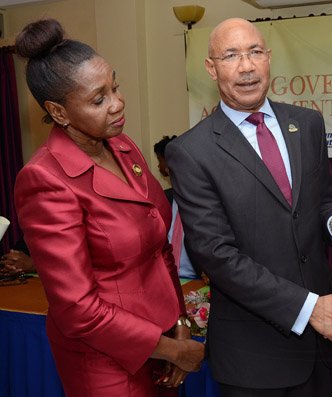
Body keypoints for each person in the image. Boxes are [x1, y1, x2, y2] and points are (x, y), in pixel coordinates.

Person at [166, 17, 332, 397]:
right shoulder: (192, 151)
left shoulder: (307, 124)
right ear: (211, 67)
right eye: (231, 55)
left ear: (269, 58)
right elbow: (215, 255)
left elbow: (321, 202)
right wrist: (309, 308)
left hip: (322, 347)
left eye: (255, 52)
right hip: (253, 357)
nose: (247, 66)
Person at [13, 19, 204, 396]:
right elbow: (78, 309)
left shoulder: (123, 146)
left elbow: (159, 248)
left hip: (163, 342)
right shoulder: (45, 179)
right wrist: (174, 350)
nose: (118, 103)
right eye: (98, 99)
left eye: (115, 86)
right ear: (60, 112)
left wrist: (178, 321)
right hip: (104, 365)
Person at [154, 135, 197, 279]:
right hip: (167, 278)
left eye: (160, 161)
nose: (158, 167)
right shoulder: (162, 198)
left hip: (198, 279)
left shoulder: (202, 200)